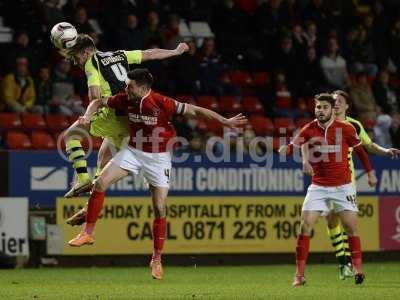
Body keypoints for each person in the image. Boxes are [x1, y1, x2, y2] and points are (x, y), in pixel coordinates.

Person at [67, 69, 247, 280]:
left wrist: (224, 121)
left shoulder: (161, 102)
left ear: (143, 88)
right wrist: (88, 115)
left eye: (130, 86)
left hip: (159, 158)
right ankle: (88, 233)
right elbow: (98, 102)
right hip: (133, 150)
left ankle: (156, 258)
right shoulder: (124, 99)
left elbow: (196, 110)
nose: (126, 89)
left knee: (159, 208)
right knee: (100, 183)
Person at [60, 34, 189, 199]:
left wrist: (89, 114)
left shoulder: (91, 62)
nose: (75, 62)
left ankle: (83, 179)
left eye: (76, 57)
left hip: (112, 113)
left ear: (86, 52)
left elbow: (95, 95)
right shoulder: (119, 54)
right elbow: (149, 54)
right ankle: (90, 206)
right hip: (131, 118)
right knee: (102, 165)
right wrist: (175, 52)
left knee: (71, 135)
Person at [302, 90, 399, 280]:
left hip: (347, 181)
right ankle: (343, 262)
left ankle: (350, 265)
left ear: (347, 106)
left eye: (340, 101)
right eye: (334, 101)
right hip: (325, 180)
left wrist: (384, 152)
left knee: (344, 222)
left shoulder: (353, 125)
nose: (336, 103)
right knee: (330, 219)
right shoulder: (320, 124)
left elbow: (368, 146)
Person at [279, 93, 374, 286]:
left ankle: (357, 270)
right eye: (317, 107)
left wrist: (370, 173)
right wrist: (287, 149)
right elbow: (295, 144)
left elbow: (362, 153)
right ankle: (299, 276)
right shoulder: (310, 127)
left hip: (343, 187)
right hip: (319, 187)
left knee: (351, 228)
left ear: (332, 109)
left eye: (324, 107)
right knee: (305, 226)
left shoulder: (346, 128)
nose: (320, 110)